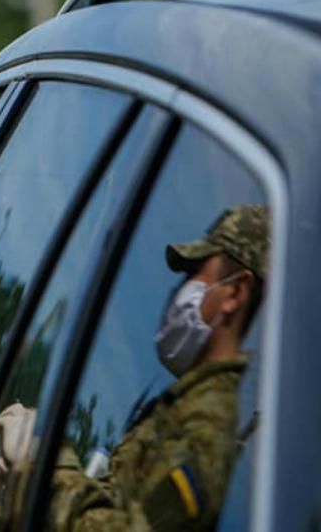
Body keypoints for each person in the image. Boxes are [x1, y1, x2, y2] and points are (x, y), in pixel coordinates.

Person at [47, 204, 270, 531]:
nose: (180, 291)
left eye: (196, 275)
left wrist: (44, 468)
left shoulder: (206, 427)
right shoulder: (180, 408)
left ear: (234, 293)